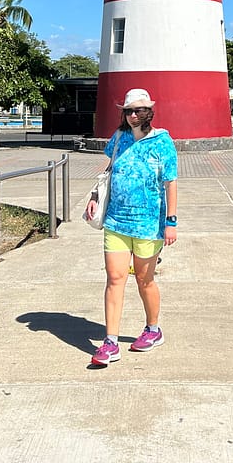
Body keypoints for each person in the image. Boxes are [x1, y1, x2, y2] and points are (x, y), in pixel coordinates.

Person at [83, 88, 178, 366]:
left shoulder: (162, 142)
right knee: (115, 279)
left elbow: (171, 182)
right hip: (116, 220)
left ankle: (153, 328)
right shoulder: (119, 138)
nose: (133, 115)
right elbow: (110, 169)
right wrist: (94, 196)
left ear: (149, 112)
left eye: (138, 110)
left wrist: (171, 222)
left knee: (144, 280)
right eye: (128, 111)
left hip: (149, 224)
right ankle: (110, 342)